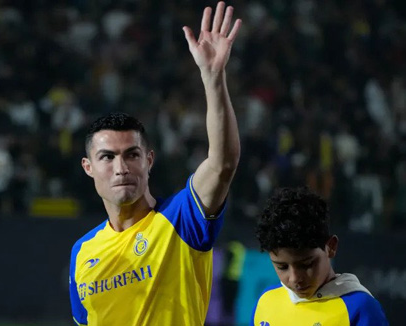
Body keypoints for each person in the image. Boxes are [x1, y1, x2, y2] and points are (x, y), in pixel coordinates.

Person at [69, 2, 241, 325]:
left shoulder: (181, 219)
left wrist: (213, 78)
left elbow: (223, 163)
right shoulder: (82, 253)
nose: (121, 167)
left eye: (131, 154)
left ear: (149, 160)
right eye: (107, 157)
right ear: (88, 167)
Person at [252, 187, 389, 326]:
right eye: (282, 267)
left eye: (306, 264)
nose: (295, 278)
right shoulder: (266, 301)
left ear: (331, 247)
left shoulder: (359, 308)